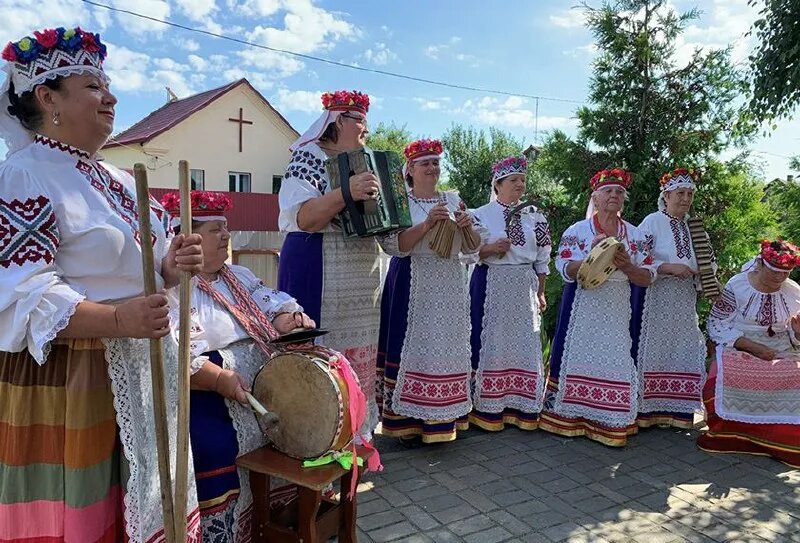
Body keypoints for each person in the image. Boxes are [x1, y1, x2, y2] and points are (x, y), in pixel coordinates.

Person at [0, 27, 203, 542]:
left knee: (155, 506)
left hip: (143, 365)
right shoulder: (25, 176)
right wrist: (117, 319)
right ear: (47, 98)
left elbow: (152, 268)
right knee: (93, 518)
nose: (111, 96)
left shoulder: (113, 178)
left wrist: (175, 263)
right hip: (78, 375)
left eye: (107, 84)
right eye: (92, 86)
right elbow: (21, 293)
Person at [161, 191, 316, 541]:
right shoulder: (175, 288)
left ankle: (282, 516)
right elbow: (173, 355)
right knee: (214, 446)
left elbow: (271, 307)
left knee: (297, 428)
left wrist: (286, 321)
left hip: (257, 386)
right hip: (203, 392)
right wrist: (218, 380)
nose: (227, 236)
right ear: (186, 238)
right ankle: (226, 532)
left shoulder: (239, 276)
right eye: (216, 229)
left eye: (226, 227)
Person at [277, 90, 381, 439]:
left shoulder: (368, 162)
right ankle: (316, 439)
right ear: (339, 121)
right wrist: (346, 191)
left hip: (360, 281)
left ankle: (355, 437)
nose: (366, 127)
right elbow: (304, 218)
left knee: (357, 360)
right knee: (321, 358)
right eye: (360, 119)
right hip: (319, 264)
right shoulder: (309, 157)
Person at [540, 168, 656, 447]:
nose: (614, 195)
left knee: (616, 356)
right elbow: (564, 268)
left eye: (619, 192)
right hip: (584, 300)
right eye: (608, 191)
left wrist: (626, 264)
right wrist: (595, 256)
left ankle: (610, 420)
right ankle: (570, 418)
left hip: (618, 304)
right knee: (579, 353)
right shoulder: (578, 230)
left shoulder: (637, 235)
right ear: (595, 197)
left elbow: (648, 276)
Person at [376, 139, 479, 443]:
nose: (433, 168)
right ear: (410, 170)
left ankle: (443, 419)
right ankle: (406, 422)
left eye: (436, 163)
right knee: (413, 342)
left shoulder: (453, 198)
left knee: (445, 345)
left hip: (448, 281)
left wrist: (466, 227)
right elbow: (393, 246)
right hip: (412, 277)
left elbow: (473, 248)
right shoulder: (399, 202)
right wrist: (426, 225)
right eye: (426, 163)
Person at [699, 239, 800, 467]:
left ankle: (782, 440)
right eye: (774, 273)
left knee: (796, 375)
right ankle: (732, 435)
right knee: (719, 376)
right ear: (760, 264)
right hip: (742, 347)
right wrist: (754, 347)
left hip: (781, 351)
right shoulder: (738, 285)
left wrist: (797, 333)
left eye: (785, 274)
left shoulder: (794, 292)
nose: (779, 279)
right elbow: (717, 323)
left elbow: (796, 339)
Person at [468, 156, 551, 431]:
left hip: (523, 284)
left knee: (524, 340)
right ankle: (488, 408)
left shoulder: (535, 215)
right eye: (514, 180)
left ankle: (522, 405)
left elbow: (542, 256)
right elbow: (465, 252)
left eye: (523, 180)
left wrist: (541, 291)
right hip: (491, 281)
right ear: (498, 184)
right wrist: (490, 248)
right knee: (492, 339)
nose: (520, 184)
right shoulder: (479, 214)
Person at [635, 168, 707, 428]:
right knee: (656, 347)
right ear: (666, 195)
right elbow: (639, 257)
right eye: (680, 193)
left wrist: (705, 275)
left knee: (683, 346)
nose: (685, 199)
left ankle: (680, 412)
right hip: (658, 295)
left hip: (685, 297)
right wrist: (668, 267)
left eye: (689, 194)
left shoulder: (695, 228)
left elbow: (708, 262)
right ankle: (649, 411)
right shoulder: (652, 222)